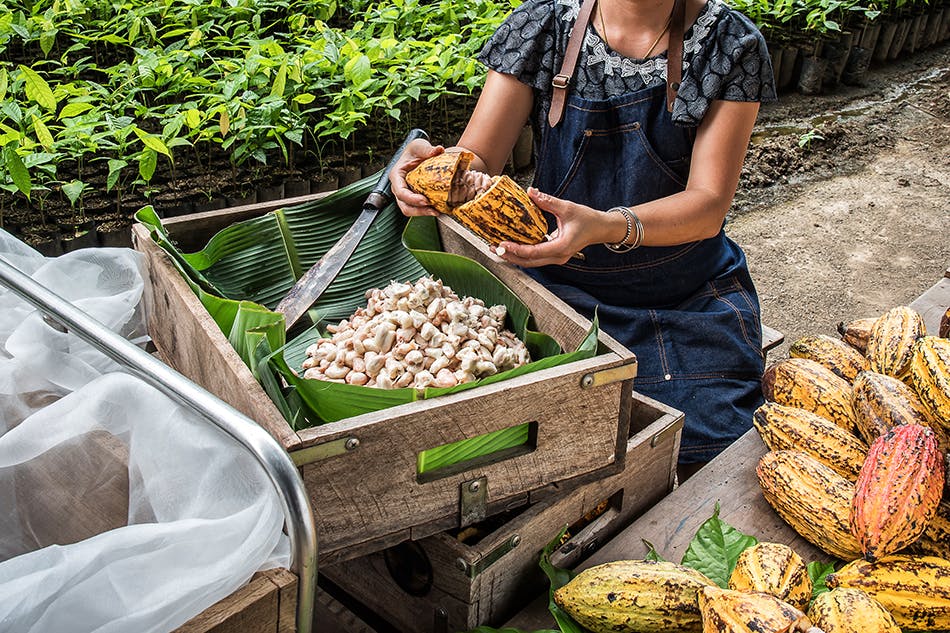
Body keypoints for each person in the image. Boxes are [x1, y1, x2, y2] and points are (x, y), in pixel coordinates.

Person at [390, 0, 776, 476]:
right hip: (555, 292)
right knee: (536, 454)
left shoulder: (729, 44)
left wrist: (605, 226)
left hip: (682, 299)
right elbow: (478, 160)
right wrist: (429, 170)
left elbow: (707, 206)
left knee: (708, 455)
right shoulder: (547, 24)